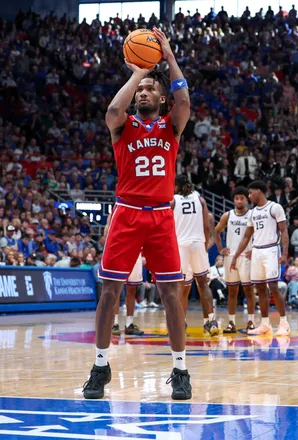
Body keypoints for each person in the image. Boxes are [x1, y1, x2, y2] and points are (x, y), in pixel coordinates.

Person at [83, 28, 192, 400]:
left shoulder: (171, 126)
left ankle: (180, 369)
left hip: (161, 217)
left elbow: (185, 101)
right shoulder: (124, 126)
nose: (143, 92)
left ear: (161, 99)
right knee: (110, 292)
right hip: (127, 214)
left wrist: (169, 57)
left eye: (149, 88)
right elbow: (113, 110)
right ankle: (100, 365)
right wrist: (137, 71)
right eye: (139, 89)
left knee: (172, 295)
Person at [232, 180, 290, 336]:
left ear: (259, 191)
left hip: (271, 249)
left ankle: (284, 323)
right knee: (260, 288)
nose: (249, 196)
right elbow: (246, 237)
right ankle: (265, 324)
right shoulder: (252, 213)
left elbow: (284, 231)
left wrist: (284, 253)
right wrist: (236, 255)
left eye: (251, 193)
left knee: (273, 287)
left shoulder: (275, 207)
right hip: (257, 251)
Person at [173, 174, 218, 336]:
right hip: (198, 243)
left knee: (180, 286)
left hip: (181, 245)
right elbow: (206, 226)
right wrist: (204, 246)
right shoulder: (200, 199)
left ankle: (179, 324)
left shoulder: (173, 201)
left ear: (177, 186)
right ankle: (212, 321)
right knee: (203, 284)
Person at [215, 187, 257, 333]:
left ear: (247, 199)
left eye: (242, 198)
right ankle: (231, 323)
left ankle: (251, 322)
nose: (239, 201)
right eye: (236, 198)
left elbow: (261, 232)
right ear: (233, 200)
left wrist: (255, 248)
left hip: (246, 256)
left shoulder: (253, 215)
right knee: (232, 291)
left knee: (249, 290)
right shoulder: (228, 215)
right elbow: (216, 230)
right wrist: (221, 248)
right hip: (230, 256)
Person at [112, 254, 145, 336]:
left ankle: (129, 324)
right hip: (120, 251)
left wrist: (144, 254)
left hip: (136, 253)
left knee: (132, 289)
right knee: (117, 289)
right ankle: (114, 324)